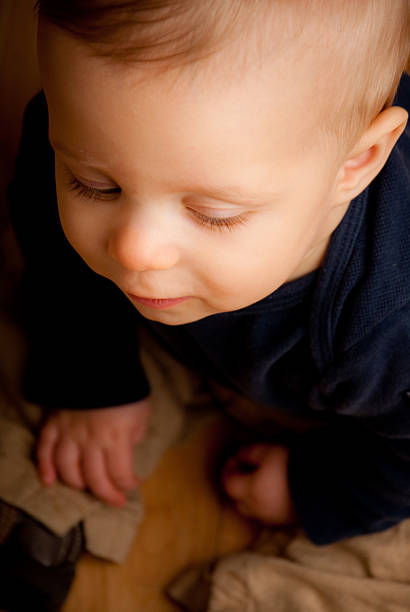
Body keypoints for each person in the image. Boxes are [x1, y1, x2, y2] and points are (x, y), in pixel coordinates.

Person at [2, 0, 410, 609]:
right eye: (94, 184)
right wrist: (94, 382)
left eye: (212, 213)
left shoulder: (392, 317)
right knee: (26, 319)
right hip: (167, 337)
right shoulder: (94, 135)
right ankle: (34, 520)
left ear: (356, 163)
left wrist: (316, 486)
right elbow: (53, 247)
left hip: (377, 422)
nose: (135, 250)